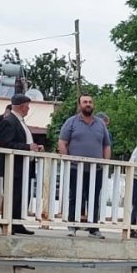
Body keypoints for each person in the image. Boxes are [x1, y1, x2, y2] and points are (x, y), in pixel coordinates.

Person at [58, 94, 113, 239]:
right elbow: (62, 142)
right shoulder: (71, 122)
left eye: (90, 102)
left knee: (94, 198)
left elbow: (106, 145)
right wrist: (67, 159)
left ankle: (93, 228)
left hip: (96, 169)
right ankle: (72, 226)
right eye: (85, 102)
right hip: (76, 168)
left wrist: (105, 162)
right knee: (75, 197)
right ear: (79, 105)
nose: (88, 104)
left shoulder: (100, 124)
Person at [0, 93, 43, 235]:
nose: (29, 109)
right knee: (13, 196)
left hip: (24, 166)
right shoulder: (9, 121)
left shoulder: (20, 121)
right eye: (28, 106)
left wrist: (33, 147)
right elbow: (6, 144)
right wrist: (28, 148)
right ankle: (9, 222)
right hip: (14, 166)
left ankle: (17, 222)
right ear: (22, 106)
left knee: (22, 196)